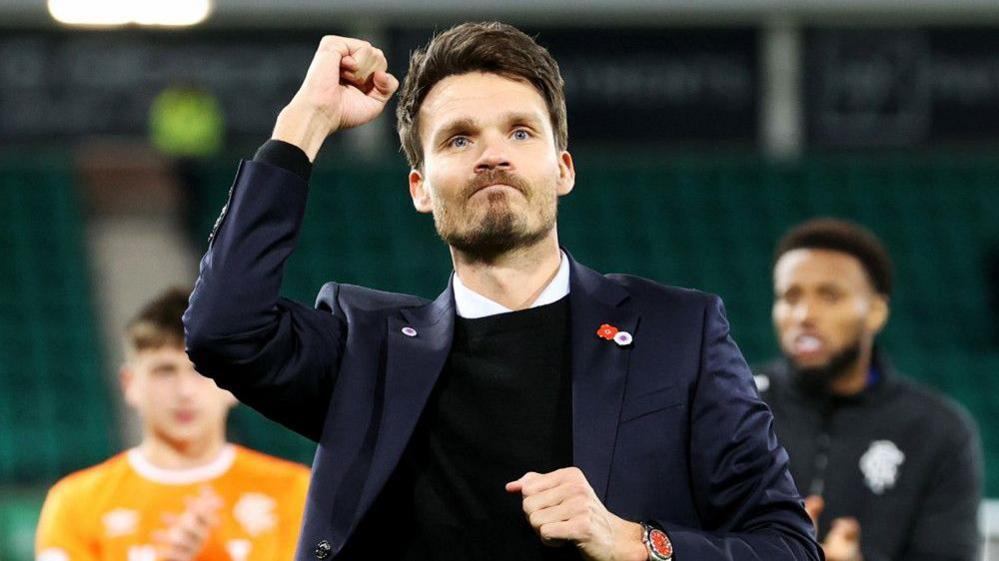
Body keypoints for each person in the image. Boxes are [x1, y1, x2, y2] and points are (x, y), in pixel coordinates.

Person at [183, 22, 820, 561]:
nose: (493, 155)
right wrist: (306, 120)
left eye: (520, 132)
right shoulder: (364, 349)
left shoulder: (678, 331)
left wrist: (634, 541)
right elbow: (221, 329)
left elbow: (788, 545)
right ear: (420, 189)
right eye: (459, 139)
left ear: (562, 168)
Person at [757, 218, 983, 561]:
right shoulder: (732, 405)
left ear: (876, 311)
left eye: (829, 296)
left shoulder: (937, 430)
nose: (804, 314)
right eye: (790, 296)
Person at [36, 288, 310, 561]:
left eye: (203, 371)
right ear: (130, 384)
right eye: (165, 371)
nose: (185, 391)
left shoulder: (298, 494)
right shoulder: (75, 503)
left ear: (234, 383)